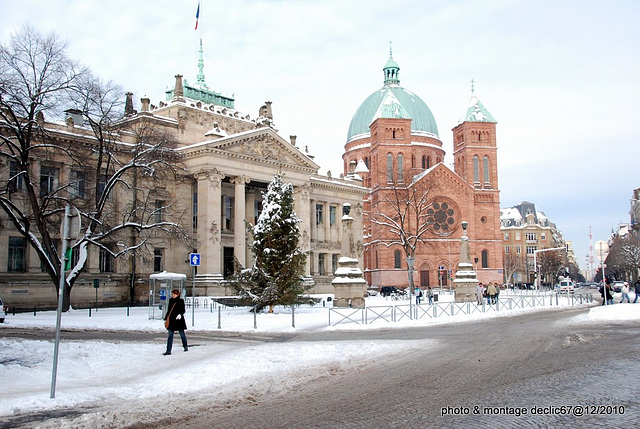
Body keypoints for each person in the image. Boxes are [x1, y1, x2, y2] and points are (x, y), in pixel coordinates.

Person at [163, 289, 188, 355]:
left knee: (182, 334)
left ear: (177, 294)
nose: (173, 295)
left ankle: (185, 346)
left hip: (179, 320)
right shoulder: (171, 300)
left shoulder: (181, 301)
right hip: (171, 320)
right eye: (172, 294)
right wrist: (166, 317)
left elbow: (183, 310)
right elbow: (169, 310)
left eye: (174, 294)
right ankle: (168, 350)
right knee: (170, 336)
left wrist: (180, 314)